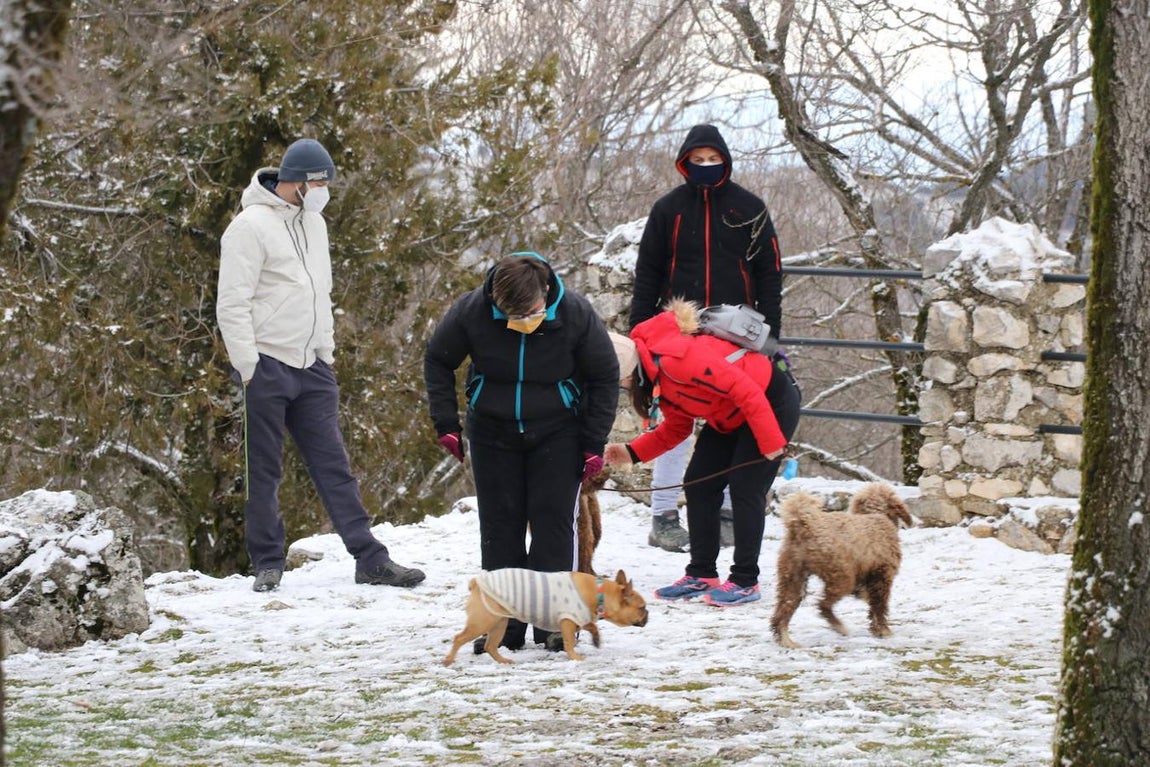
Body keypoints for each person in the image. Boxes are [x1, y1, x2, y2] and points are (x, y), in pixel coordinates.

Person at [217, 138, 425, 593]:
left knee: (335, 466)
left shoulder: (315, 223)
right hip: (266, 365)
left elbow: (320, 293)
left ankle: (370, 559)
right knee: (264, 470)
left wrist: (326, 354)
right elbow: (231, 304)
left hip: (311, 365)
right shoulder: (247, 227)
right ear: (297, 180)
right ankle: (268, 562)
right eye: (319, 182)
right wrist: (248, 366)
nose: (324, 190)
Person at [424, 253, 619, 651]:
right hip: (492, 431)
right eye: (511, 315)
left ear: (545, 292)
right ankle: (503, 625)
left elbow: (605, 375)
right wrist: (446, 423)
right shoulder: (471, 311)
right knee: (500, 527)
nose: (523, 323)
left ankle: (552, 624)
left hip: (558, 429)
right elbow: (438, 360)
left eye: (530, 313)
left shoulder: (576, 313)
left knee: (552, 524)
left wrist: (593, 441)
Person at [629, 123, 784, 552]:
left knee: (735, 417)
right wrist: (641, 332)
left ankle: (730, 514)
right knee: (672, 421)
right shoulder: (668, 210)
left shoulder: (749, 208)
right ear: (684, 163)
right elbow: (648, 274)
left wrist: (772, 336)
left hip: (738, 331)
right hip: (679, 330)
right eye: (696, 161)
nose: (705, 167)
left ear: (726, 161)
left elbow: (770, 273)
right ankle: (663, 516)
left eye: (712, 160)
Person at [605, 299, 800, 606]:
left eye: (619, 383)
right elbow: (677, 427)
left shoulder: (678, 360)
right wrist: (632, 452)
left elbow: (746, 389)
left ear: (629, 373)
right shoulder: (657, 376)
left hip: (769, 401)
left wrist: (771, 442)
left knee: (745, 486)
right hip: (729, 415)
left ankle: (745, 580)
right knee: (699, 483)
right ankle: (702, 573)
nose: (622, 388)